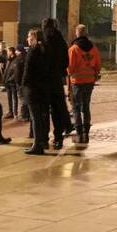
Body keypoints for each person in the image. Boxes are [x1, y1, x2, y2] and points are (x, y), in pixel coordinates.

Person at [67, 24, 101, 147]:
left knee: (76, 107)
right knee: (86, 106)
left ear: (77, 33)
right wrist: (95, 74)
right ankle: (86, 132)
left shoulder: (73, 49)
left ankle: (79, 134)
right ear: (85, 33)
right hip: (89, 80)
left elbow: (70, 67)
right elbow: (98, 64)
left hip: (77, 81)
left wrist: (69, 75)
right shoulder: (94, 48)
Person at [21, 28, 53, 155]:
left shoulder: (33, 51)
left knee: (35, 117)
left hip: (33, 89)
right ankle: (43, 141)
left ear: (34, 37)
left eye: (29, 36)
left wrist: (23, 85)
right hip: (44, 88)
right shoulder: (46, 50)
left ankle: (37, 144)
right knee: (42, 116)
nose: (27, 39)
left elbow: (27, 71)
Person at [42, 18, 72, 148]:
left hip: (45, 79)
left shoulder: (43, 39)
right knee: (57, 109)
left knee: (44, 110)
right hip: (57, 79)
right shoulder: (60, 40)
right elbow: (66, 61)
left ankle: (43, 137)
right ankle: (58, 137)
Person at [3, 46, 21, 118]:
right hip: (7, 82)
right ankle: (10, 112)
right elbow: (6, 71)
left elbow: (15, 73)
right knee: (9, 98)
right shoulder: (8, 60)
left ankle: (15, 113)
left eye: (8, 51)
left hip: (12, 83)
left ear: (11, 52)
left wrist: (10, 79)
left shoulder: (16, 60)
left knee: (14, 98)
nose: (7, 53)